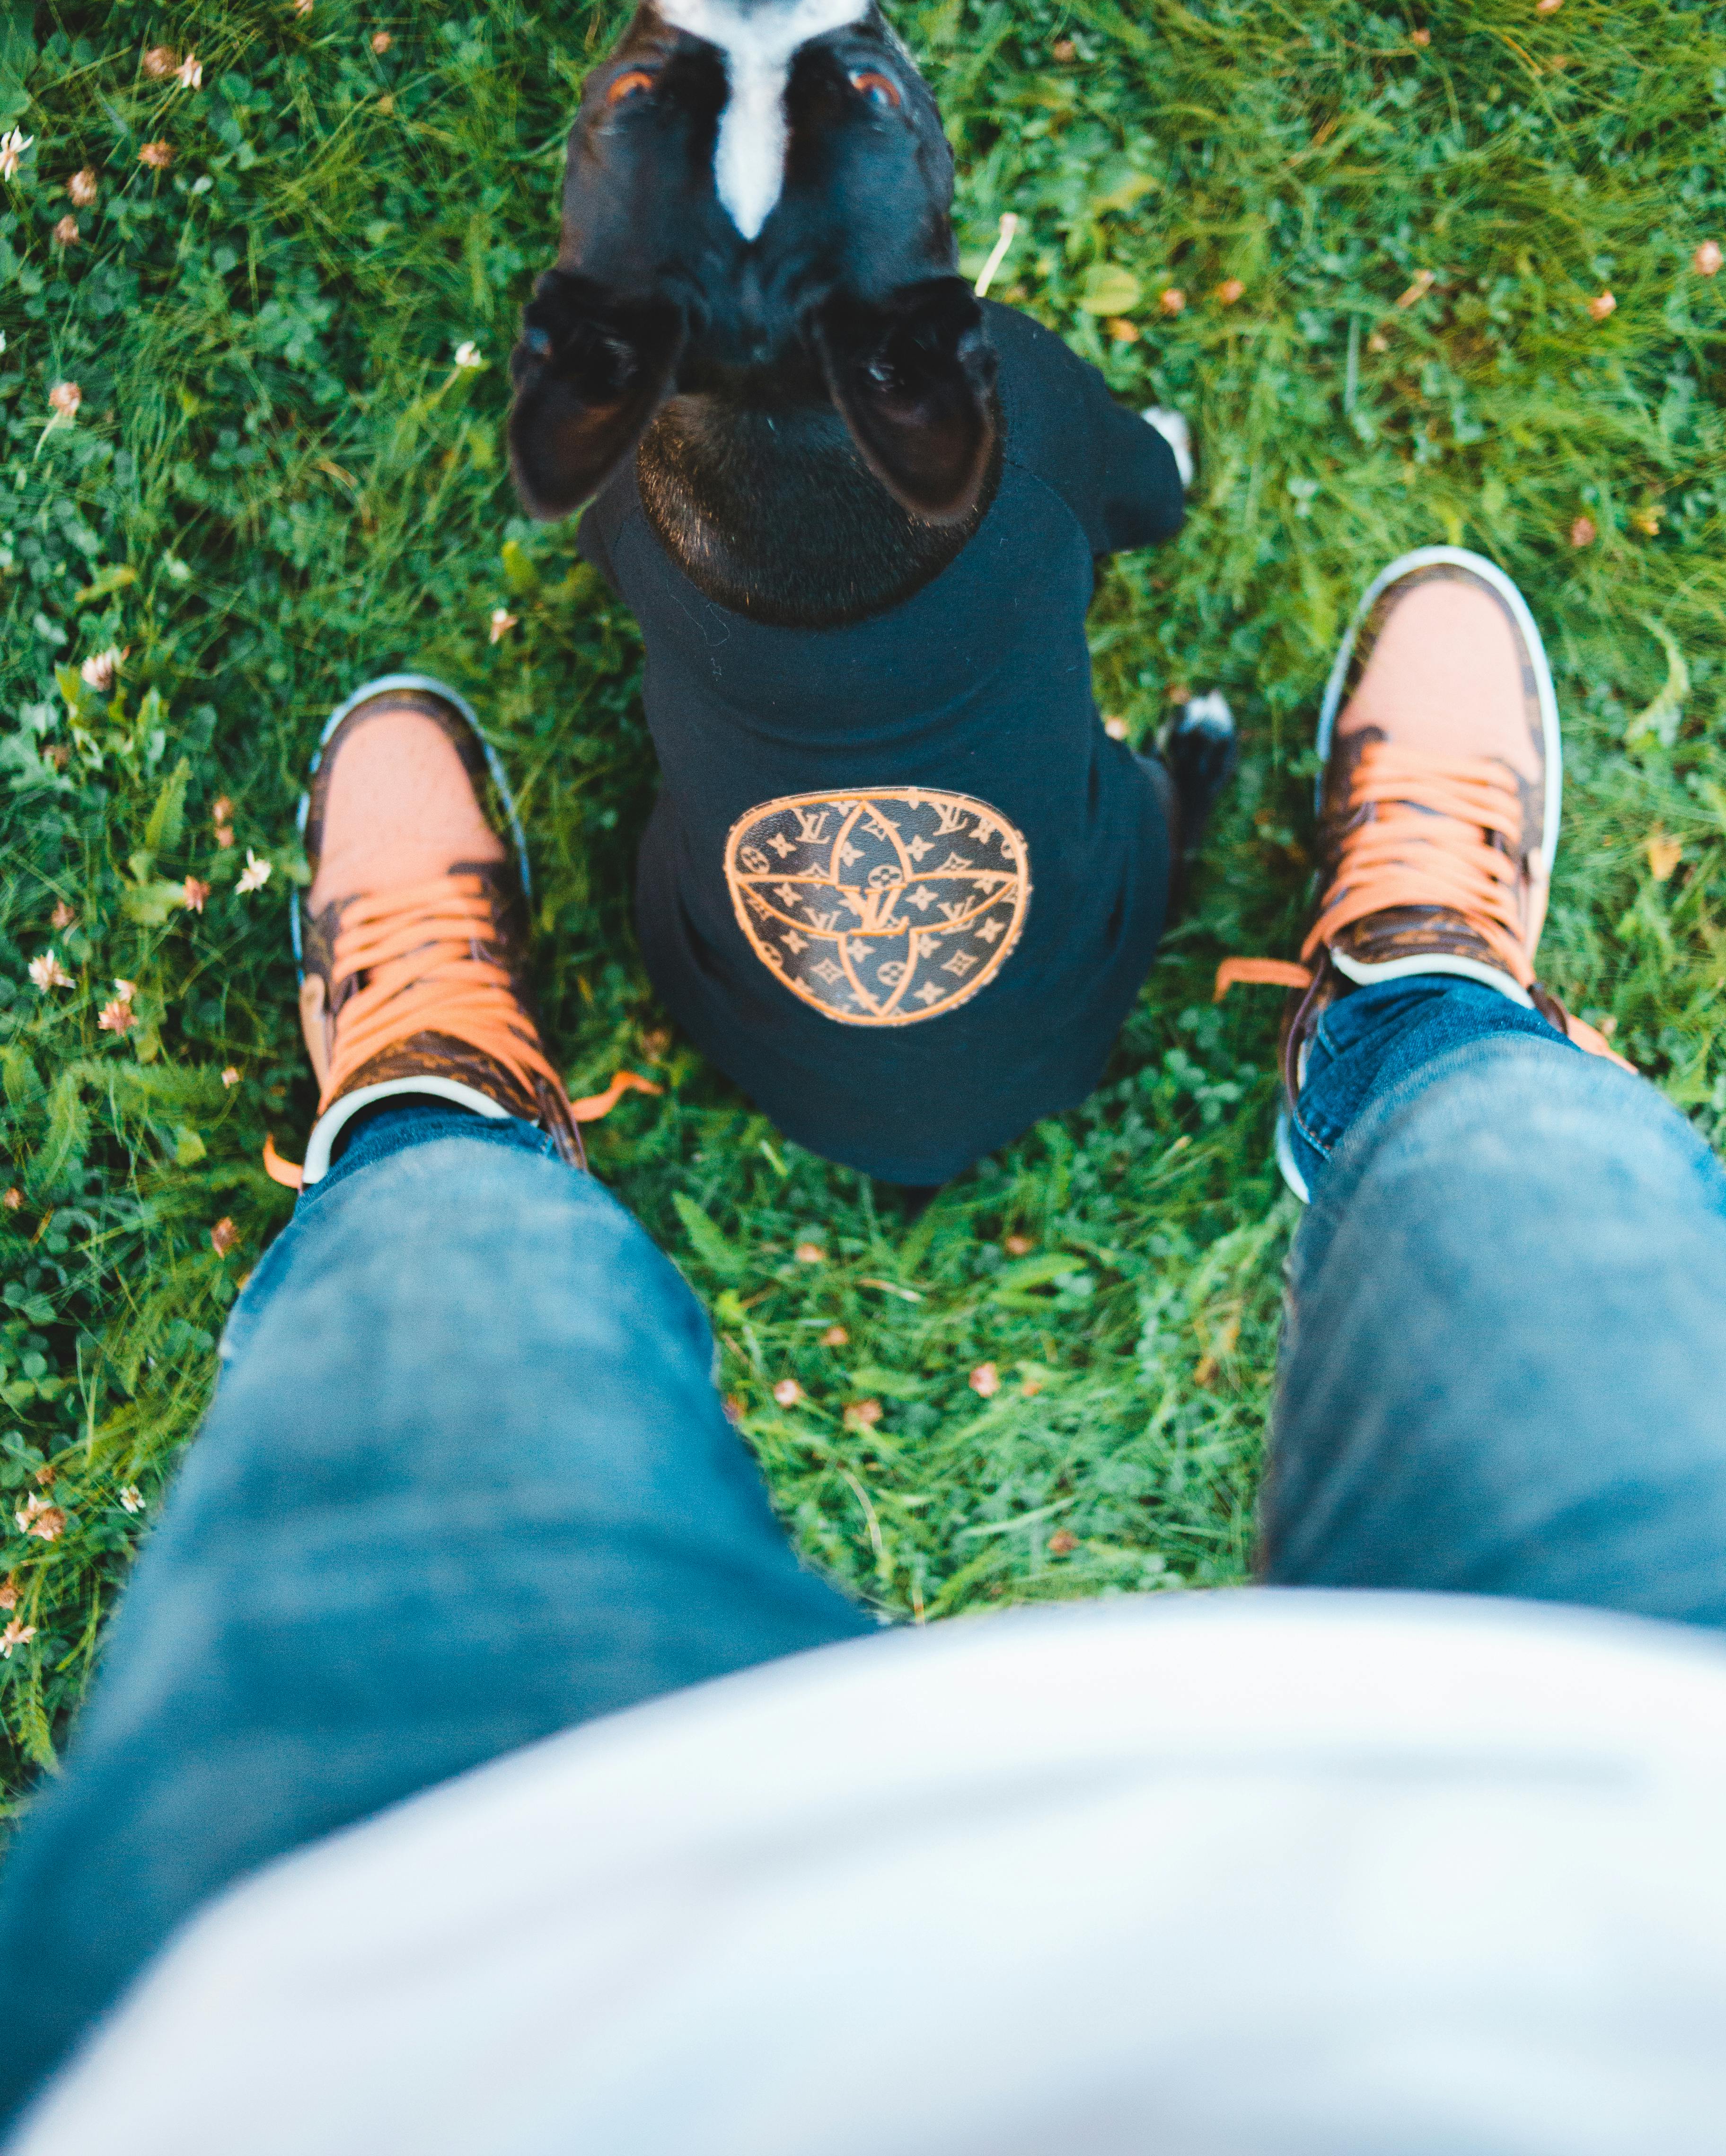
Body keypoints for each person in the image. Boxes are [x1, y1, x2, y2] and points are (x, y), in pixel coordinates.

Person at [3, 547, 1726, 2154]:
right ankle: (1414, 1002)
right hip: (1634, 1830)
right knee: (1529, 1175)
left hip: (441, 1991)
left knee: (439, 1292)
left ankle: (428, 1086)